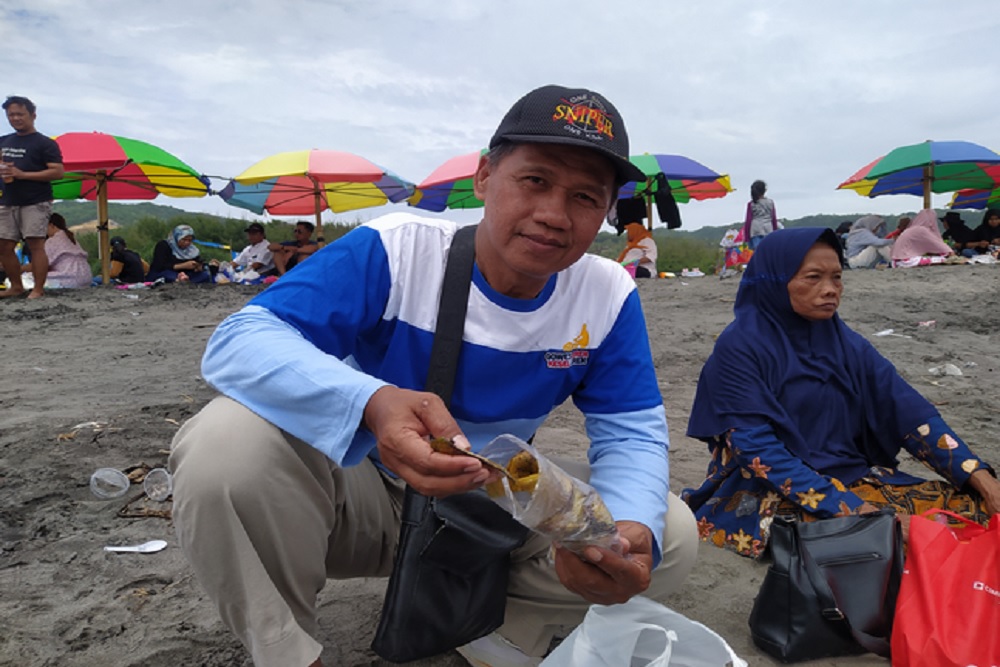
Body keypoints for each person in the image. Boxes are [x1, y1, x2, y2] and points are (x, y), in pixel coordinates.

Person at [169, 84, 699, 667]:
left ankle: (493, 626)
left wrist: (617, 536)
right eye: (535, 180)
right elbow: (239, 342)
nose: (553, 214)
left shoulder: (607, 293)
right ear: (484, 177)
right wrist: (373, 402)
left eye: (584, 196)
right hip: (360, 489)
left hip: (494, 489)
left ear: (605, 212)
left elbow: (630, 430)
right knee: (222, 447)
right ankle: (290, 654)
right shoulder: (397, 249)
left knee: (666, 531)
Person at [682, 227, 1000, 559]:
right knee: (884, 544)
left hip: (852, 477)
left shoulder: (846, 343)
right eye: (813, 277)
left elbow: (909, 411)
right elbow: (757, 449)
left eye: (836, 277)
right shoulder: (740, 348)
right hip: (769, 492)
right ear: (775, 280)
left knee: (973, 511)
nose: (830, 290)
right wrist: (858, 512)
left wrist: (980, 478)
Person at [0, 96, 65, 299]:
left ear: (33, 115)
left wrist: (23, 174)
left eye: (20, 114)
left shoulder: (45, 144)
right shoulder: (4, 140)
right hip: (7, 200)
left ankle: (38, 289)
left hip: (35, 200)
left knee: (35, 244)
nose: (15, 118)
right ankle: (16, 286)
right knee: (4, 245)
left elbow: (57, 172)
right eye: (11, 115)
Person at [20, 212, 91, 289]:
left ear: (51, 225)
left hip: (69, 278)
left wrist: (19, 269)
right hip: (86, 277)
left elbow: (40, 265)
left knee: (24, 278)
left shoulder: (53, 240)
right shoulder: (71, 238)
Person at [146, 224, 212, 284]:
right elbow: (159, 266)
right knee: (168, 276)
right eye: (184, 240)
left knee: (205, 275)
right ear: (177, 237)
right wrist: (182, 266)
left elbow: (198, 261)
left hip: (186, 274)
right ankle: (180, 281)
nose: (187, 243)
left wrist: (198, 267)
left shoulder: (192, 250)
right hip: (165, 272)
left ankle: (185, 281)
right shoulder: (164, 245)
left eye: (189, 240)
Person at [890, 209, 955, 267]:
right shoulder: (922, 230)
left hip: (896, 260)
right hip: (906, 260)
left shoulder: (913, 229)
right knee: (941, 259)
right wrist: (949, 252)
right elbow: (937, 244)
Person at [741, 179, 777, 251]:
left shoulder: (751, 204)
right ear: (765, 190)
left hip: (755, 230)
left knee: (758, 252)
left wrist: (747, 236)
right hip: (768, 229)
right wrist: (775, 232)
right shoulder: (770, 202)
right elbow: (773, 218)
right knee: (768, 251)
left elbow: (748, 220)